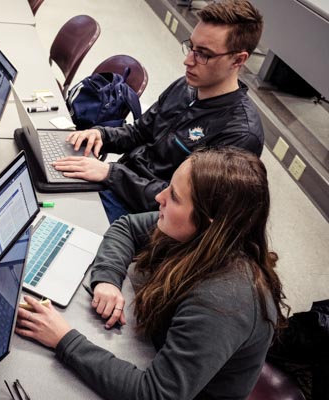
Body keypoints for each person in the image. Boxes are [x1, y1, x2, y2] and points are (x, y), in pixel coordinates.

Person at [16, 147, 288, 399]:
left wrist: (64, 340)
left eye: (174, 197)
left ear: (209, 221)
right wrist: (108, 280)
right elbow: (127, 227)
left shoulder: (222, 302)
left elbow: (155, 394)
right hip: (155, 351)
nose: (159, 197)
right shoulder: (203, 235)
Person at [53, 0, 265, 223]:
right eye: (191, 47)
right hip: (118, 184)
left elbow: (184, 205)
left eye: (203, 54)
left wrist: (111, 174)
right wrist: (101, 135)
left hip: (144, 215)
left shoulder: (240, 134)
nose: (188, 60)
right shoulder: (186, 86)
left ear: (238, 60)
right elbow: (139, 132)